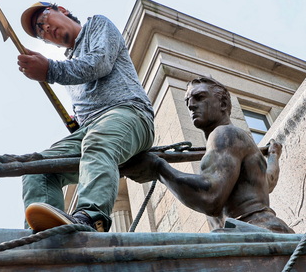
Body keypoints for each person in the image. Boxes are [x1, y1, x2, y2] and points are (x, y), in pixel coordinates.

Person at [0, 2, 155, 232]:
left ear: (61, 9)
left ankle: (91, 217)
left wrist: (50, 70)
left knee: (97, 141)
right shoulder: (69, 66)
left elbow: (98, 63)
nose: (45, 30)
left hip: (130, 114)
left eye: (44, 21)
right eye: (40, 32)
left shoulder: (97, 24)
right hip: (92, 130)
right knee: (39, 168)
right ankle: (43, 237)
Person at [123, 76, 293, 234]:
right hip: (259, 232)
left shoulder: (225, 134)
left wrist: (159, 169)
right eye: (188, 101)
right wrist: (273, 156)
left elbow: (210, 197)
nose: (191, 105)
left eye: (199, 97)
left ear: (224, 103)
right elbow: (268, 181)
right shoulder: (235, 142)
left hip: (254, 234)